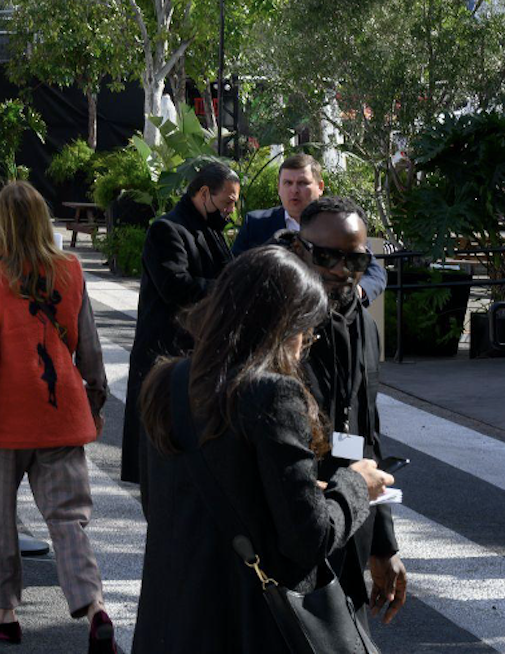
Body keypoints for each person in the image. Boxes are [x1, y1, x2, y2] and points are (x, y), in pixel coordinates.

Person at [133, 245, 393, 653]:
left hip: (172, 615)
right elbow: (307, 541)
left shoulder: (167, 381)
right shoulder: (272, 393)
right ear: (280, 326)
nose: (306, 342)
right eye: (306, 329)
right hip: (246, 623)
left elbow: (162, 501)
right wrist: (356, 484)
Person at [0, 182, 115, 651]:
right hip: (60, 411)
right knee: (68, 520)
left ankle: (3, 614)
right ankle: (94, 607)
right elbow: (90, 348)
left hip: (6, 419)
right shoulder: (69, 268)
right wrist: (96, 402)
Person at [286, 197, 407, 628]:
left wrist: (383, 542)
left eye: (355, 260)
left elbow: (366, 433)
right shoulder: (274, 327)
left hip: (349, 526)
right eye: (326, 256)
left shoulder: (364, 327)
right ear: (299, 250)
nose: (340, 270)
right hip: (288, 534)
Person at [121, 159, 240, 485]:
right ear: (204, 193)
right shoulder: (167, 229)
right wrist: (233, 289)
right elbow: (177, 287)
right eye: (228, 200)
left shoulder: (211, 231)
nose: (231, 209)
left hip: (199, 356)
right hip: (166, 356)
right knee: (158, 458)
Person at [232, 152, 386, 303]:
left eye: (302, 183)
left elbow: (374, 272)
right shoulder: (256, 223)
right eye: (288, 183)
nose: (294, 190)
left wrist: (357, 292)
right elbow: (234, 271)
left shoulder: (340, 223)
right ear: (279, 188)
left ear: (320, 187)